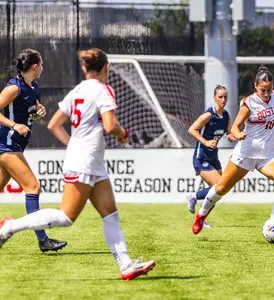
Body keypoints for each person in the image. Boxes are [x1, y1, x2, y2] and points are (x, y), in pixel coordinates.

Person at [0, 48, 155, 280]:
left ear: (84, 68)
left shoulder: (77, 90)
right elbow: (111, 125)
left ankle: (126, 266)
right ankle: (10, 227)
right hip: (82, 159)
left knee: (110, 214)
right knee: (65, 216)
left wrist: (72, 143)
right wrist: (123, 133)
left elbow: (53, 124)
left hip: (91, 160)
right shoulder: (103, 90)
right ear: (106, 68)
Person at [191, 65, 274, 235]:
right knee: (221, 188)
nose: (266, 93)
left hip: (268, 155)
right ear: (255, 87)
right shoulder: (249, 102)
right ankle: (201, 215)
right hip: (245, 154)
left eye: (269, 89)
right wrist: (237, 135)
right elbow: (236, 126)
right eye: (263, 90)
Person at [0, 49, 67, 252]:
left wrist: (38, 113)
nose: (43, 68)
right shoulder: (14, 88)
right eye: (42, 64)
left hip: (15, 145)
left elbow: (29, 114)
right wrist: (14, 125)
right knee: (33, 188)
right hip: (7, 145)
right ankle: (43, 240)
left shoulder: (34, 87)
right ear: (35, 67)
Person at [186, 85, 236, 228]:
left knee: (221, 190)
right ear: (214, 98)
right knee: (219, 187)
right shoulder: (208, 115)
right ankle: (193, 196)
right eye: (220, 97)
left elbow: (228, 133)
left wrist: (233, 136)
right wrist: (206, 142)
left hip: (214, 157)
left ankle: (202, 217)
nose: (223, 99)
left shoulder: (226, 116)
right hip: (201, 157)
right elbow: (192, 129)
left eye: (225, 96)